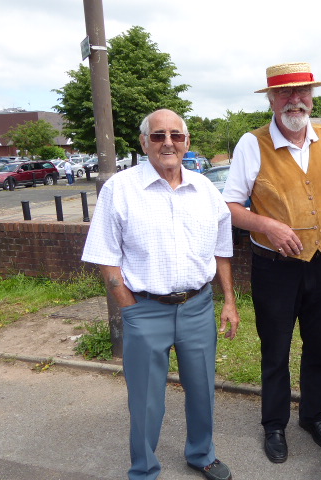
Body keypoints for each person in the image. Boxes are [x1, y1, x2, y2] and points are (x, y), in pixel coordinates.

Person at [82, 109, 240, 480]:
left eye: (176, 135)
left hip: (198, 307)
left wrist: (229, 301)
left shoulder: (205, 189)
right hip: (145, 309)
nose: (168, 143)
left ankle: (201, 454)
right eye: (158, 136)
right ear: (144, 142)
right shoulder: (120, 189)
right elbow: (106, 257)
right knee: (146, 400)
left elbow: (222, 250)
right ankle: (144, 469)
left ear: (187, 142)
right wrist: (130, 309)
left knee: (202, 390)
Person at [222, 62, 321, 464]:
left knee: (320, 348)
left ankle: (313, 416)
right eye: (285, 93)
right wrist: (267, 225)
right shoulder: (251, 143)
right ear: (272, 100)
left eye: (302, 92)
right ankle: (274, 425)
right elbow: (230, 206)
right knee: (275, 350)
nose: (295, 100)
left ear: (312, 97)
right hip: (274, 269)